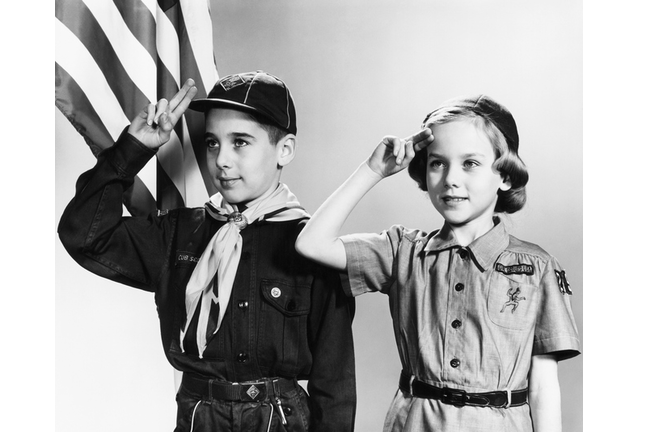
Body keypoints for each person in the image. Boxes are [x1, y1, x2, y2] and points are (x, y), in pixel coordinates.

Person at [58, 71, 357, 432]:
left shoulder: (312, 245)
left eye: (240, 143)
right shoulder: (179, 233)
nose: (222, 160)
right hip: (199, 417)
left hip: (280, 420)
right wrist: (133, 149)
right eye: (213, 143)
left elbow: (335, 382)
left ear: (285, 149)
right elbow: (84, 235)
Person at [295, 95, 581, 432]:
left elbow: (544, 387)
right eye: (437, 163)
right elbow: (311, 243)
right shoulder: (403, 251)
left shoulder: (537, 267)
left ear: (504, 175)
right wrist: (372, 171)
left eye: (470, 163)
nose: (450, 179)